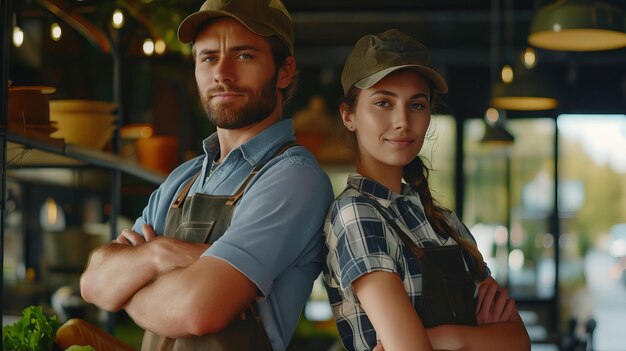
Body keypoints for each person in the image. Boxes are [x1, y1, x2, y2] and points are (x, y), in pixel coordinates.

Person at [79, 0, 333, 350]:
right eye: (209, 57)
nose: (222, 74)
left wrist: (129, 291)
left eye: (244, 56)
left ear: (285, 71)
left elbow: (197, 311)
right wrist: (160, 254)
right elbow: (95, 284)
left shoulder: (293, 177)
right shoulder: (181, 180)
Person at [322, 29, 531, 351]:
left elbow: (519, 341)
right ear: (348, 115)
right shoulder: (356, 213)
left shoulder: (444, 220)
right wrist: (480, 339)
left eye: (416, 105)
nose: (402, 121)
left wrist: (448, 339)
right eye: (383, 103)